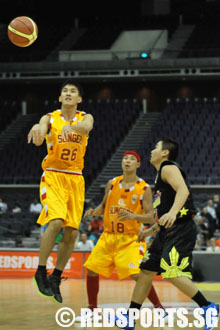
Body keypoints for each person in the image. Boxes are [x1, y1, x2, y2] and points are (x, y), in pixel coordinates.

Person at [118, 138, 219, 330]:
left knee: (171, 272)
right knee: (146, 271)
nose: (152, 150)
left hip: (181, 228)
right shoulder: (159, 177)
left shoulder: (168, 167)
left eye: (156, 147)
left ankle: (208, 307)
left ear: (165, 153)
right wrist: (151, 230)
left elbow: (183, 191)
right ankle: (130, 317)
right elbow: (163, 216)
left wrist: (172, 212)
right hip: (166, 231)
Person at [75, 150, 167, 323]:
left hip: (131, 238)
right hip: (108, 236)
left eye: (132, 159)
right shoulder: (112, 183)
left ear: (138, 164)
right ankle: (92, 310)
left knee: (137, 275)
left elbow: (150, 216)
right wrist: (94, 212)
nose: (128, 161)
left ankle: (159, 308)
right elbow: (103, 205)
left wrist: (134, 217)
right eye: (125, 158)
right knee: (92, 270)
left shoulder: (144, 188)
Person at [27, 80, 94, 303]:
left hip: (76, 179)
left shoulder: (85, 117)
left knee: (72, 232)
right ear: (59, 98)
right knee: (55, 222)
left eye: (73, 91)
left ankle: (56, 276)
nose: (68, 93)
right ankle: (40, 271)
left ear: (79, 99)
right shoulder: (50, 117)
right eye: (64, 91)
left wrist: (72, 128)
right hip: (53, 175)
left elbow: (86, 128)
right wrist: (38, 129)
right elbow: (41, 129)